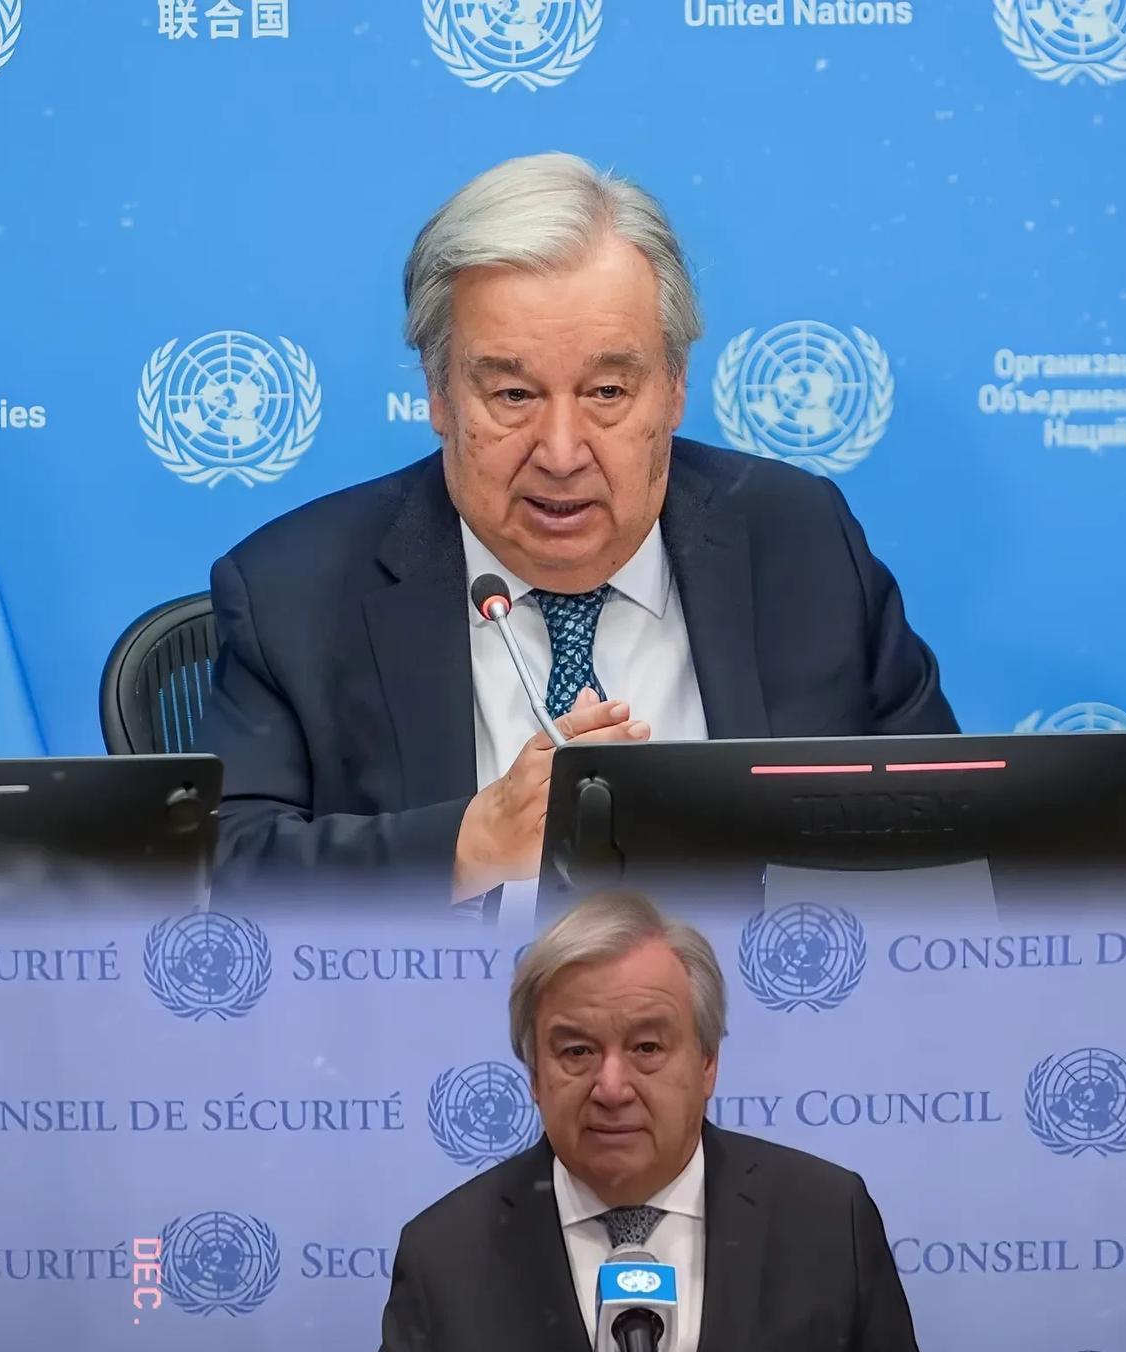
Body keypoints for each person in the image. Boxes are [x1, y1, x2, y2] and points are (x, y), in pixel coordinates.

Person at [198, 153, 957, 906]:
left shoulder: (802, 544)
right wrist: (468, 845)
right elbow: (223, 871)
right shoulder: (295, 592)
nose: (561, 454)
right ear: (439, 395)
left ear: (674, 389)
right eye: (513, 394)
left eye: (607, 392)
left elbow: (953, 830)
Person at [298, 890, 1007, 1352]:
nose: (611, 1087)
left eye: (646, 1048)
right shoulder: (449, 1250)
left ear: (707, 1064)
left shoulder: (822, 1219)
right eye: (576, 1051)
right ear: (535, 1076)